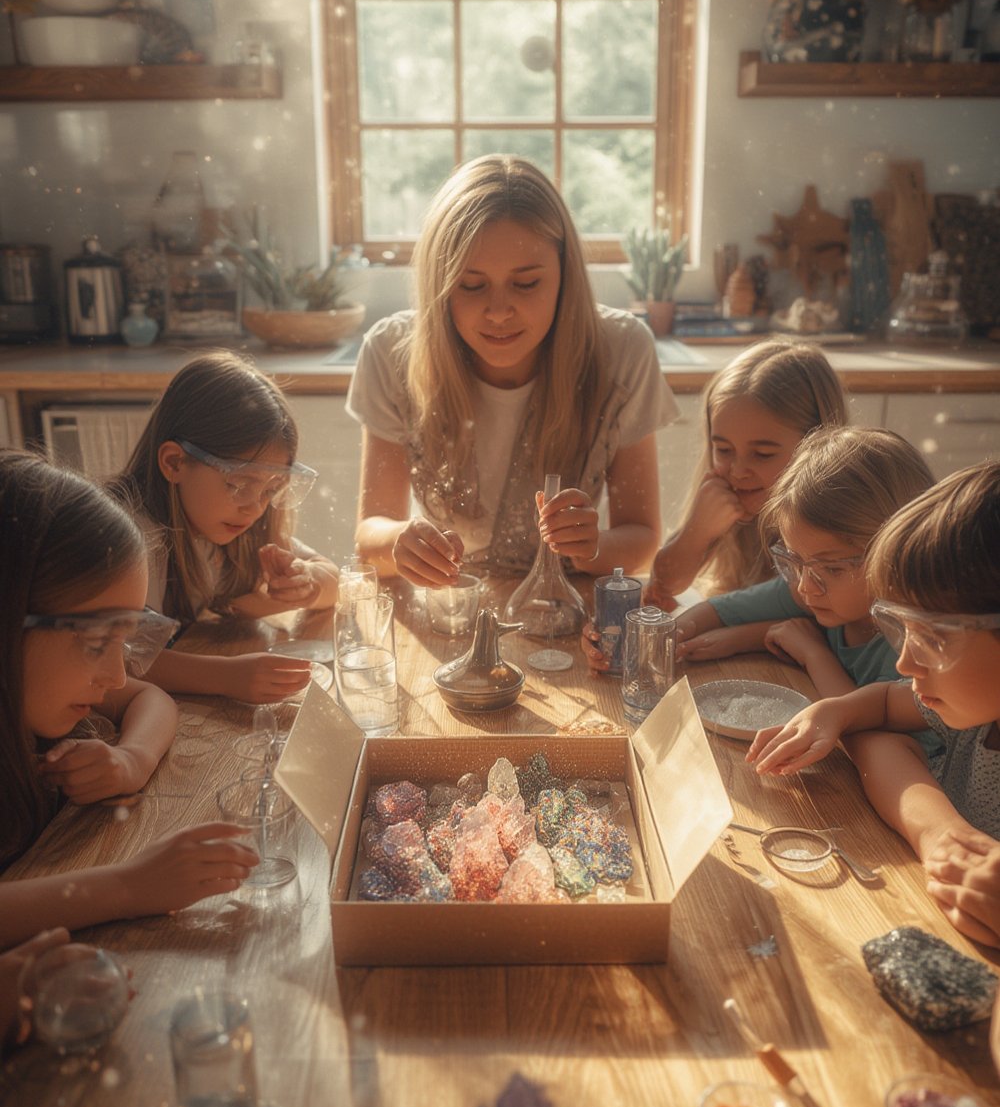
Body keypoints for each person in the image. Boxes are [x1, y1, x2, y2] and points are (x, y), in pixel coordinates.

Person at [347, 154, 676, 586]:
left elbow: (642, 539)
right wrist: (397, 542)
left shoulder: (622, 351)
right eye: (471, 285)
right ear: (439, 284)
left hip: (563, 614)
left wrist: (591, 544)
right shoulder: (392, 353)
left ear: (565, 275)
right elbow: (370, 530)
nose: (499, 312)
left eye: (526, 283)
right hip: (451, 604)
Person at [0, 450, 258, 948]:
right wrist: (128, 885)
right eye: (98, 643)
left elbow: (151, 697)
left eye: (126, 641)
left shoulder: (38, 685)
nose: (117, 676)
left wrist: (130, 761)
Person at [747, 462, 1000, 947]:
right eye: (902, 630)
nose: (904, 662)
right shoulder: (973, 710)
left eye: (933, 638)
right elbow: (882, 715)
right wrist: (837, 712)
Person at [584, 337, 846, 671]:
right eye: (723, 450)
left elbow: (811, 617)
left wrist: (736, 636)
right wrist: (696, 532)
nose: (737, 471)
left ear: (819, 443)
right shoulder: (727, 498)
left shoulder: (834, 526)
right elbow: (665, 586)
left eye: (762, 454)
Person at [112, 351, 339, 702]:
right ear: (175, 462)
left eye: (271, 490)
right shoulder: (129, 539)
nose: (255, 506)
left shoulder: (227, 525)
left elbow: (334, 580)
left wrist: (307, 585)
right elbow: (119, 658)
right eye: (238, 484)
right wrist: (225, 677)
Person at [674, 426, 937, 700]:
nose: (805, 587)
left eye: (833, 569)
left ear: (897, 556)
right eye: (794, 561)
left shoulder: (912, 650)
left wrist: (815, 655)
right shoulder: (816, 585)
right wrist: (673, 639)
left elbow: (858, 725)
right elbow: (719, 610)